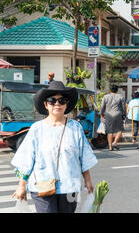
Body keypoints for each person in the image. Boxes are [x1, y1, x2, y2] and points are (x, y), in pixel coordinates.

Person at [11, 81, 97, 213]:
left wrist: (88, 181)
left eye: (61, 100)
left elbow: (83, 157)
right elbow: (26, 159)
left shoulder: (75, 128)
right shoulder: (36, 129)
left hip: (70, 186)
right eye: (52, 100)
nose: (57, 104)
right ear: (46, 104)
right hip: (42, 185)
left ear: (66, 104)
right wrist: (21, 185)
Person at [100, 85, 126, 151]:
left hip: (108, 115)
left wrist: (101, 114)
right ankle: (115, 142)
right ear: (117, 90)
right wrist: (124, 114)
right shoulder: (120, 96)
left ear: (110, 90)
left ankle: (110, 147)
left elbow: (102, 106)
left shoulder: (105, 97)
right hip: (118, 114)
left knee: (109, 131)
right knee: (120, 130)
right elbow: (124, 107)